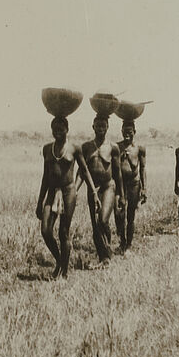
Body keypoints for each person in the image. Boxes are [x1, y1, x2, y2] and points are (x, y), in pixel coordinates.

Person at [36, 116, 96, 278]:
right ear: (52, 130)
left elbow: (84, 170)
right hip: (52, 192)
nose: (58, 132)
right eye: (55, 129)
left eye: (61, 129)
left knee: (64, 232)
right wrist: (40, 202)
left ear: (67, 130)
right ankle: (60, 262)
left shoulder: (74, 148)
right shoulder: (47, 149)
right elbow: (45, 177)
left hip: (69, 192)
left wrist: (94, 192)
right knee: (45, 231)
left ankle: (64, 272)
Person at [81, 114, 121, 266]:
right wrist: (75, 191)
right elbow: (82, 171)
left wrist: (121, 195)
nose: (100, 129)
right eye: (98, 126)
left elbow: (117, 173)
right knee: (95, 225)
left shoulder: (113, 147)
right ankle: (103, 257)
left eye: (103, 126)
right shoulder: (86, 147)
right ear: (93, 127)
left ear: (107, 127)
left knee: (103, 220)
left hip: (108, 186)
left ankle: (107, 249)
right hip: (92, 188)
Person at [115, 120, 147, 254]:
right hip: (119, 184)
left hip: (134, 184)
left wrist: (144, 188)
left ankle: (128, 244)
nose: (127, 134)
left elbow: (143, 168)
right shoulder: (117, 147)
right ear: (121, 131)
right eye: (125, 131)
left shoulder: (139, 148)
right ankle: (121, 240)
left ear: (134, 132)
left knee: (130, 215)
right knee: (118, 213)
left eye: (130, 131)